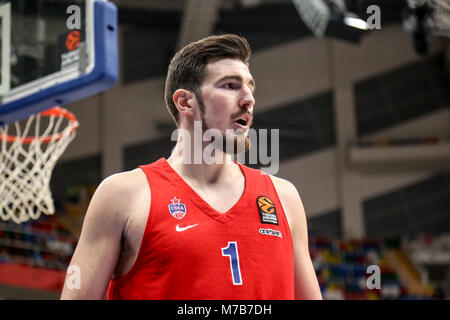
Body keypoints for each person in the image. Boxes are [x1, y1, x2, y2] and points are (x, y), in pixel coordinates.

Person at [60, 34, 322, 300]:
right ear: (185, 102)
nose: (248, 99)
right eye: (230, 86)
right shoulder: (123, 195)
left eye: (250, 88)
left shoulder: (284, 198)